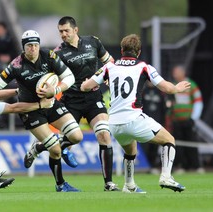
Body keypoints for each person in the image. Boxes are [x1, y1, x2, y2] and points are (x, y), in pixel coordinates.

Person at [0, 30, 84, 192]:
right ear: (24, 48)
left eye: (35, 45)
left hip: (50, 102)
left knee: (77, 136)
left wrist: (55, 90)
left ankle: (37, 148)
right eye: (29, 46)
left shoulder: (49, 56)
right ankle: (61, 185)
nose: (33, 48)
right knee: (55, 149)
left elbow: (69, 77)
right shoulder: (16, 65)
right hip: (30, 110)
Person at [81, 34, 189, 193]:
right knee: (169, 140)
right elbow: (166, 88)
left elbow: (86, 86)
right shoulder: (144, 66)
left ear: (121, 50)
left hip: (115, 124)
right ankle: (166, 176)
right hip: (133, 118)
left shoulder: (109, 67)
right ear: (138, 52)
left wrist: (84, 84)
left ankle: (129, 185)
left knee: (130, 151)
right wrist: (177, 88)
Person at [28, 16, 119, 191]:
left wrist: (109, 76)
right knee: (73, 138)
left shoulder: (93, 42)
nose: (63, 34)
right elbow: (48, 76)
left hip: (93, 98)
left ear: (75, 30)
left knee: (104, 135)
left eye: (66, 31)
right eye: (60, 31)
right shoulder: (58, 53)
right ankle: (43, 147)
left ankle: (109, 183)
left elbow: (109, 62)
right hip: (71, 100)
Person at [170, 65, 204, 174]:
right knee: (178, 144)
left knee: (191, 142)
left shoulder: (191, 85)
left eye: (176, 72)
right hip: (176, 120)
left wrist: (193, 118)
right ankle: (181, 166)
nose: (174, 75)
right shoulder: (173, 85)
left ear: (182, 73)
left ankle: (196, 166)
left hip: (188, 120)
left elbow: (198, 101)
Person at [141, 81, 167, 174]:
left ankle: (152, 165)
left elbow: (163, 109)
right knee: (145, 145)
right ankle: (144, 165)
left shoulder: (160, 92)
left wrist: (163, 123)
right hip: (144, 123)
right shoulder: (142, 91)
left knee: (155, 145)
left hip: (157, 122)